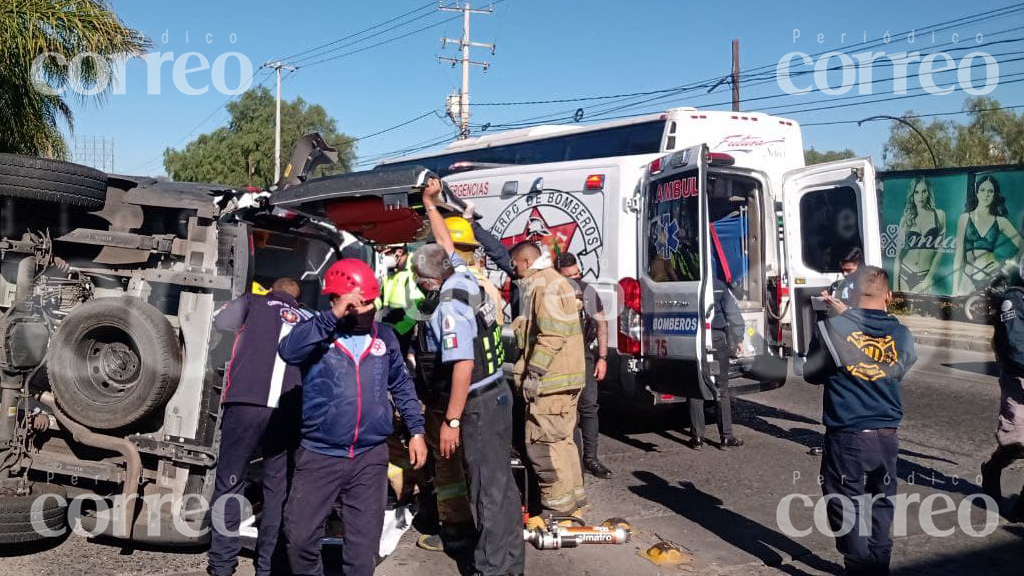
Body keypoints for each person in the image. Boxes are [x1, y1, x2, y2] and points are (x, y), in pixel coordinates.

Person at [278, 259, 427, 576]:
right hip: (319, 456)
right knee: (300, 538)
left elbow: (401, 383)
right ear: (337, 301)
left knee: (362, 553)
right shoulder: (317, 334)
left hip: (369, 458)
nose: (370, 311)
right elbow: (288, 351)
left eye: (373, 303)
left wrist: (416, 430)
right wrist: (331, 318)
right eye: (361, 305)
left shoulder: (384, 337)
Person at [411, 179, 525, 576]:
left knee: (487, 495)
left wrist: (452, 420)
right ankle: (510, 563)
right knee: (501, 489)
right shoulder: (462, 276)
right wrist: (430, 206)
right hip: (497, 394)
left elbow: (461, 365)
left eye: (416, 276)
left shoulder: (449, 307)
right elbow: (445, 247)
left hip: (476, 404)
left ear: (427, 281)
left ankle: (494, 569)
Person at [803, 266, 918, 576]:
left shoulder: (832, 329)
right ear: (889, 297)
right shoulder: (903, 334)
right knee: (882, 504)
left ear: (851, 296)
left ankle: (860, 568)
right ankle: (879, 565)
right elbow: (898, 370)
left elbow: (811, 374)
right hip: (887, 435)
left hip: (848, 435)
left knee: (845, 505)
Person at [207, 278, 309, 576]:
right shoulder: (308, 317)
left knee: (230, 481)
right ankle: (267, 568)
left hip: (246, 402)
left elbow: (219, 320)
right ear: (297, 300)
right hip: (289, 409)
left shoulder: (253, 301)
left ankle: (222, 565)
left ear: (271, 290)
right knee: (278, 488)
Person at [509, 240, 587, 522]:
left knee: (542, 446)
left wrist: (533, 374)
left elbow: (551, 336)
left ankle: (557, 510)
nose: (514, 271)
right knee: (563, 442)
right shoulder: (555, 282)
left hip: (551, 384)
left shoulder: (543, 287)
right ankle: (573, 504)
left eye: (515, 265)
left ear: (527, 263)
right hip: (567, 380)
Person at [556, 252, 612, 478]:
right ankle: (570, 461)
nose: (574, 280)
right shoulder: (551, 293)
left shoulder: (588, 290)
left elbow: (601, 324)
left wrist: (603, 357)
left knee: (589, 407)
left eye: (576, 274)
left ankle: (591, 458)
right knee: (566, 411)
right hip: (560, 357)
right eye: (568, 276)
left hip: (584, 355)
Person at [982, 263, 1024, 521]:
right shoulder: (1014, 301)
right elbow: (1016, 347)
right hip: (1017, 376)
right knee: (1017, 440)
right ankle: (993, 469)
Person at [687, 278, 745, 451]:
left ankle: (697, 438)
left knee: (696, 387)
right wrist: (738, 337)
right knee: (721, 387)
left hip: (696, 338)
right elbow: (733, 314)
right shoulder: (719, 286)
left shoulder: (689, 285)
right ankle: (726, 437)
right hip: (717, 337)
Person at [952, 175, 1024, 296]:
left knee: (989, 313)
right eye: (983, 190)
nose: (986, 194)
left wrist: (1010, 264)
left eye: (990, 191)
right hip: (968, 277)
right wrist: (954, 288)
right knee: (962, 312)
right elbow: (959, 256)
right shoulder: (964, 218)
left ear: (995, 195)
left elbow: (1022, 244)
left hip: (991, 278)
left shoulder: (1000, 221)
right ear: (977, 192)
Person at [893, 178, 946, 294]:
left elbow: (940, 251)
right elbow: (898, 256)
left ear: (929, 193)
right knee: (904, 312)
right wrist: (895, 288)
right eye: (916, 192)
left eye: (924, 191)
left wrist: (928, 279)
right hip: (905, 273)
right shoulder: (906, 219)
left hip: (925, 275)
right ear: (912, 195)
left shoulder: (939, 215)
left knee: (924, 312)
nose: (920, 196)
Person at [375, 243, 422, 354]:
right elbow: (381, 297)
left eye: (386, 254)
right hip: (386, 326)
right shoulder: (391, 269)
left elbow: (417, 308)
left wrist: (398, 331)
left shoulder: (415, 267)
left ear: (399, 252)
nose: (383, 257)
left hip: (401, 331)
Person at [821, 247, 864, 316]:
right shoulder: (836, 285)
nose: (845, 274)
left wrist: (845, 310)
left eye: (849, 270)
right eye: (842, 270)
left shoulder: (869, 287)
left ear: (859, 266)